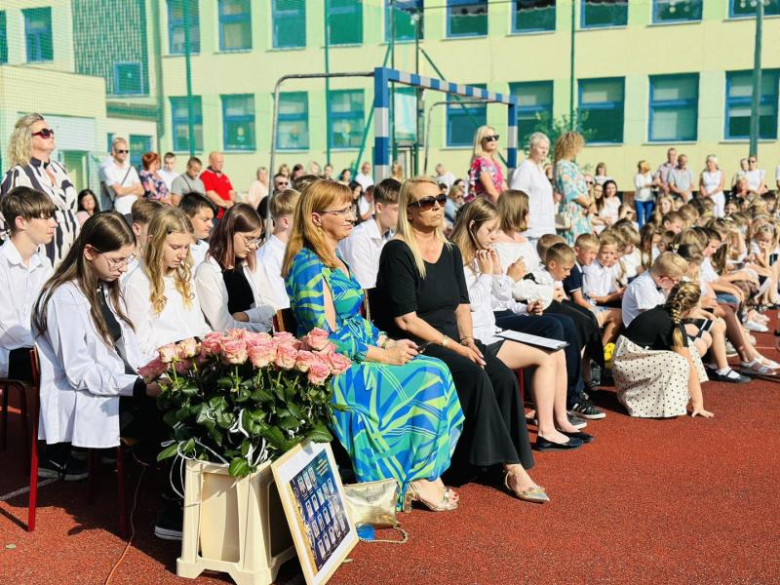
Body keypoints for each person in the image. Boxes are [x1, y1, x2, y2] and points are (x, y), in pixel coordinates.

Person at [283, 179, 465, 510]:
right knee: (427, 376)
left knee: (436, 367)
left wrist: (388, 340)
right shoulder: (307, 265)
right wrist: (385, 355)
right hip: (336, 369)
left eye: (351, 208)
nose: (352, 216)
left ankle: (421, 471)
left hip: (356, 355)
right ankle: (415, 475)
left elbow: (356, 322)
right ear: (315, 218)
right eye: (341, 211)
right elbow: (325, 337)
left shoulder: (336, 258)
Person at [374, 177, 548, 504]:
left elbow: (462, 305)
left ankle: (496, 460)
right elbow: (405, 319)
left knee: (501, 376)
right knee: (474, 375)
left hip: (453, 338)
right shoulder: (397, 251)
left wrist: (467, 339)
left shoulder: (451, 250)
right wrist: (455, 346)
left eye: (439, 199)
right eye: (426, 202)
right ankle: (512, 468)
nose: (437, 206)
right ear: (408, 212)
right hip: (415, 342)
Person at [451, 199, 588, 449]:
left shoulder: (480, 256)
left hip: (491, 330)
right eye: (489, 230)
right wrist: (487, 274)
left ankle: (560, 420)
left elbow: (499, 298)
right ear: (471, 227)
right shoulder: (457, 258)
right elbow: (468, 303)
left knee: (556, 348)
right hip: (477, 337)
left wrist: (499, 277)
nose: (494, 236)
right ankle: (546, 430)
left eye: (496, 230)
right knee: (546, 356)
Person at [31, 212, 156, 476]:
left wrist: (160, 366)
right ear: (89, 252)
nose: (123, 267)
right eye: (116, 260)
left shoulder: (104, 285)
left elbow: (128, 350)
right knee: (169, 418)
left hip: (116, 388)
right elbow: (79, 373)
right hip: (93, 397)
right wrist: (139, 386)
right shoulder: (64, 297)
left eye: (127, 259)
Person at [122, 208, 210, 362]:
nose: (182, 255)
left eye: (186, 247)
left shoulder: (184, 274)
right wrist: (178, 360)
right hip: (166, 369)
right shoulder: (136, 283)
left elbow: (199, 325)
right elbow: (141, 344)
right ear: (153, 241)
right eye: (175, 247)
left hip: (197, 361)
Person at [613, 282, 712, 419]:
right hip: (626, 364)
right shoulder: (671, 325)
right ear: (692, 308)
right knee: (678, 361)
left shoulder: (662, 311)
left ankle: (671, 396)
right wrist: (698, 403)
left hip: (629, 359)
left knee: (688, 348)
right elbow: (689, 365)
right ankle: (637, 401)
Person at [1, 113, 80, 266]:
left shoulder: (59, 168)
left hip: (72, 258)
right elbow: (4, 222)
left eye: (51, 132)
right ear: (26, 139)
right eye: (44, 132)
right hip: (42, 261)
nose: (51, 135)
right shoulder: (19, 174)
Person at [0, 187, 56, 383]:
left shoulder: (44, 264)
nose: (54, 224)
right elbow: (8, 333)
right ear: (21, 221)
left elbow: (51, 315)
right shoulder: (2, 264)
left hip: (34, 354)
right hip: (10, 358)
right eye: (45, 218)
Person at [194, 203, 276, 333]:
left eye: (257, 239)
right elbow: (223, 326)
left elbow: (271, 308)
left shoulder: (249, 265)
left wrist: (245, 316)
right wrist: (263, 329)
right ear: (230, 232)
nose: (254, 246)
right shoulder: (207, 272)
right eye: (249, 239)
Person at [339, 178, 400, 289]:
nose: (402, 215)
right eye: (396, 209)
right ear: (379, 208)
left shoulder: (391, 235)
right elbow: (366, 289)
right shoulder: (359, 238)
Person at [256, 189, 300, 310]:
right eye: (302, 218)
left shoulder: (298, 249)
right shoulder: (267, 257)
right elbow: (280, 305)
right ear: (286, 222)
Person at [509, 132, 554, 242]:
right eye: (541, 147)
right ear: (532, 148)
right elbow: (516, 197)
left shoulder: (540, 169)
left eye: (547, 148)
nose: (544, 151)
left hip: (546, 227)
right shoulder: (525, 168)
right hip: (532, 230)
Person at [553, 131, 591, 245]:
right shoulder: (562, 165)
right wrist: (586, 202)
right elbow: (570, 190)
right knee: (574, 244)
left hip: (580, 212)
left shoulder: (571, 165)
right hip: (572, 212)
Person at [100, 136, 145, 222]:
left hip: (135, 210)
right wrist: (134, 187)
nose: (124, 153)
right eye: (121, 151)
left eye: (126, 151)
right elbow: (119, 191)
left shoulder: (131, 169)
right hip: (121, 211)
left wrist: (125, 190)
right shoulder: (108, 170)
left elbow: (142, 191)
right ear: (114, 151)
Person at [466, 125, 507, 204]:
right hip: (486, 210)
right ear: (480, 141)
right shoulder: (481, 162)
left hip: (495, 206)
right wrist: (506, 208)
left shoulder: (494, 162)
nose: (493, 140)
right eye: (489, 138)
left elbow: (504, 188)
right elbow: (490, 192)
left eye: (495, 137)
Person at [126, 199, 164, 276]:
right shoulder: (125, 264)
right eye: (155, 229)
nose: (160, 234)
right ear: (137, 229)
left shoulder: (163, 259)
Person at [179, 193, 216, 269]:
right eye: (205, 220)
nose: (211, 225)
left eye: (211, 220)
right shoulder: (178, 252)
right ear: (186, 218)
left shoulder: (207, 248)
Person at [201, 152, 236, 220]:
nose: (221, 164)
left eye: (222, 162)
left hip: (228, 214)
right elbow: (210, 193)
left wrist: (232, 202)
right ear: (211, 162)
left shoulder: (224, 176)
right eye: (218, 162)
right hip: (215, 216)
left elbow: (231, 191)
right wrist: (225, 204)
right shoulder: (205, 176)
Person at [634, 160, 655, 227]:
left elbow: (656, 181)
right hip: (639, 199)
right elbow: (639, 185)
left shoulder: (651, 174)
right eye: (639, 167)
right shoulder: (637, 176)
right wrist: (650, 184)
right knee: (640, 216)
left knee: (648, 216)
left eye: (640, 167)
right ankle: (640, 231)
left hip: (649, 198)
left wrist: (654, 183)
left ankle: (649, 231)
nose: (639, 169)